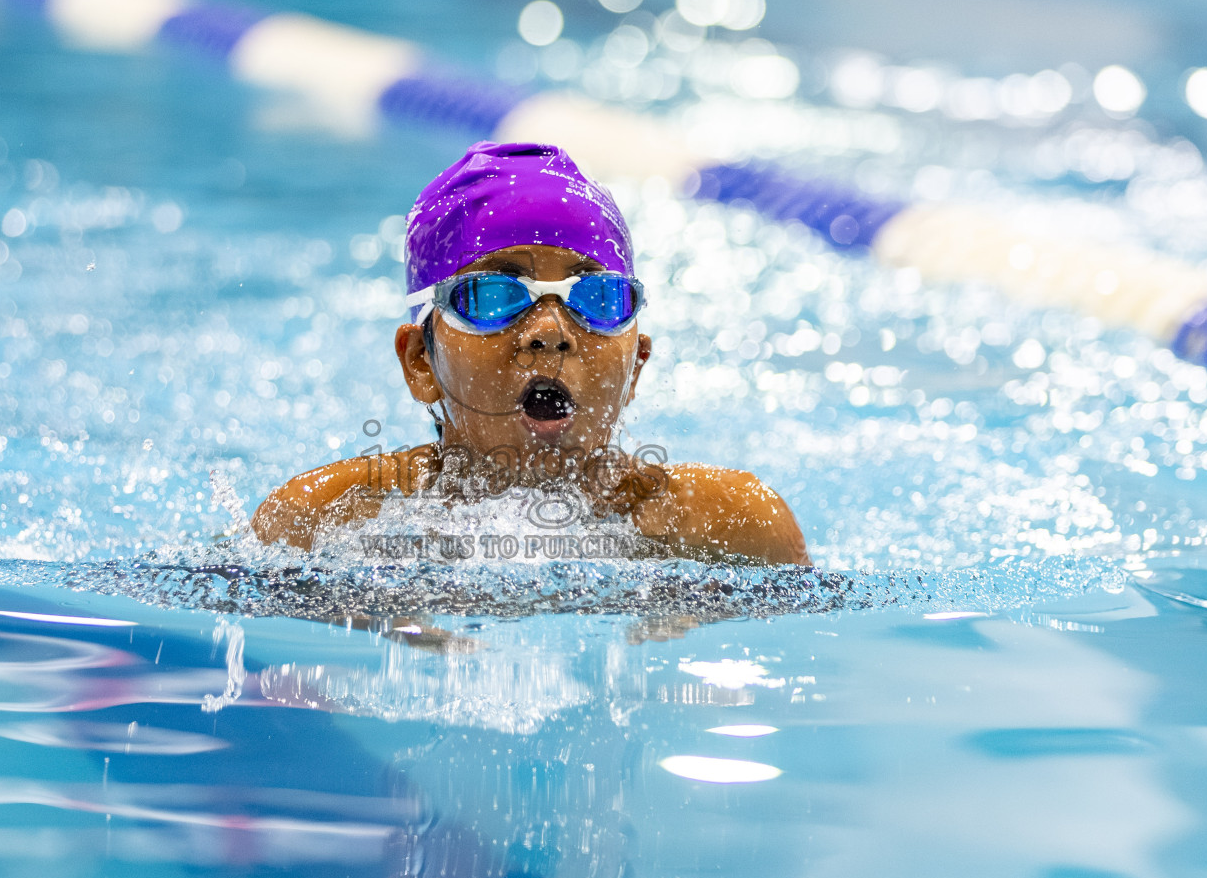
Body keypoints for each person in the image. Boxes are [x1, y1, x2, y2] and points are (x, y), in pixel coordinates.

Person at [250, 141, 809, 565]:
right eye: (495, 295)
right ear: (421, 360)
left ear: (635, 364)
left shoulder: (736, 527)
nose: (549, 329)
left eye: (594, 296)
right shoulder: (322, 524)